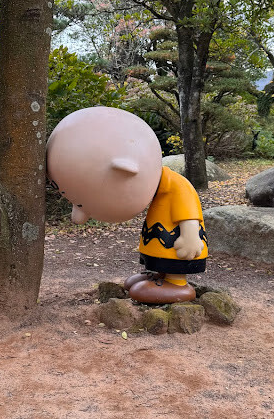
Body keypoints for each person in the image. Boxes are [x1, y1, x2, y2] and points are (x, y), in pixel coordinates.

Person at [46, 107, 207, 303]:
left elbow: (189, 211)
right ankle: (159, 275)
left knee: (173, 261)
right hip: (158, 241)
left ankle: (178, 284)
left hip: (180, 244)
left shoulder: (176, 185)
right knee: (158, 255)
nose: (78, 217)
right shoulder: (157, 190)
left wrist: (190, 236)